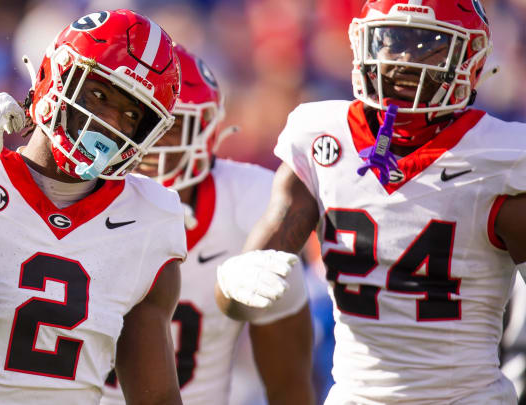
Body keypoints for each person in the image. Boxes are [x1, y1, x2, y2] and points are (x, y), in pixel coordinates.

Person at [216, 0, 526, 403]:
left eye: (426, 44)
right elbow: (244, 297)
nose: (400, 58)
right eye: (391, 40)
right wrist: (235, 281)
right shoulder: (319, 137)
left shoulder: (501, 158)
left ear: (470, 60)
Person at [0, 9, 186, 405]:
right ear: (55, 77)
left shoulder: (150, 218)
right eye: (99, 95)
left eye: (132, 114)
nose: (111, 122)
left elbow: (156, 398)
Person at [99, 44, 315, 405]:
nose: (148, 139)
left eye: (169, 123)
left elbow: (289, 383)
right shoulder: (69, 192)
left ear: (206, 131)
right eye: (137, 117)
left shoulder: (250, 202)